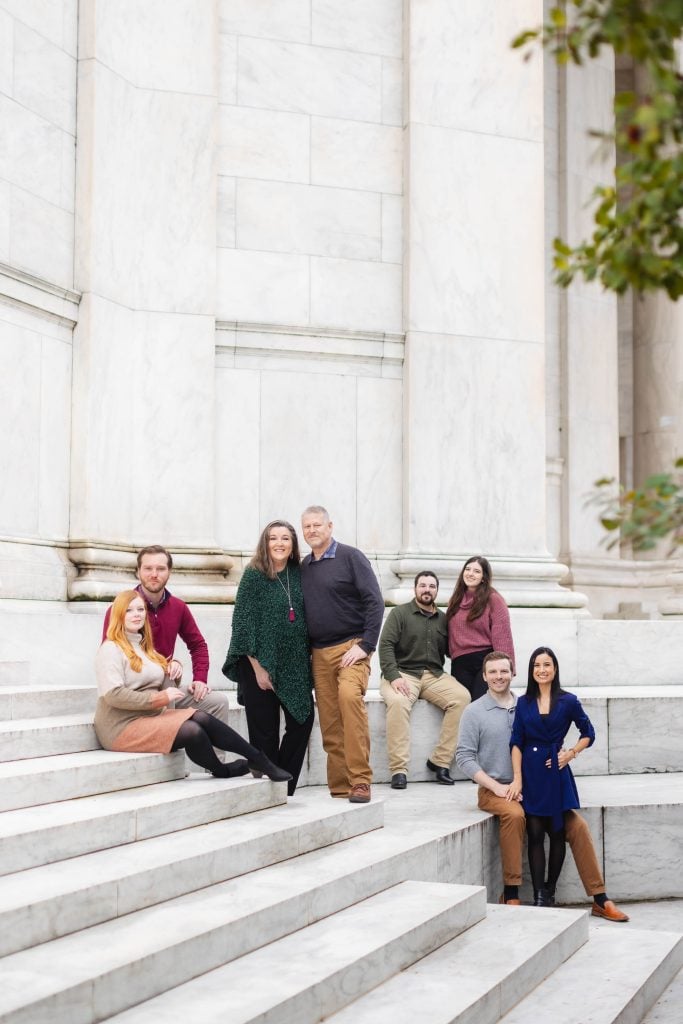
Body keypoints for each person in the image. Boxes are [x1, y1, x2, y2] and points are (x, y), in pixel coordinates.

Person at [455, 651, 629, 921]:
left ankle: (600, 898)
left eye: (504, 671)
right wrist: (498, 787)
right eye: (493, 672)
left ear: (513, 673)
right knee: (514, 815)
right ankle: (511, 892)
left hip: (536, 785)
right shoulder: (474, 711)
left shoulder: (526, 703)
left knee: (578, 826)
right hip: (498, 788)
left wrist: (568, 754)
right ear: (484, 675)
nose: (499, 676)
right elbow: (464, 758)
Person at [95, 590, 292, 783]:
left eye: (140, 609)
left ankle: (258, 759)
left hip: (147, 716)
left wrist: (173, 668)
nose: (136, 614)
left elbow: (158, 680)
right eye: (129, 610)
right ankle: (223, 769)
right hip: (120, 727)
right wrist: (158, 699)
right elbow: (114, 695)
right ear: (118, 615)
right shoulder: (111, 649)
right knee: (193, 730)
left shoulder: (145, 647)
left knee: (200, 717)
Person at [103, 545, 231, 756]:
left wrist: (200, 678)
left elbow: (198, 645)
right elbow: (110, 651)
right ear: (138, 571)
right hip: (136, 692)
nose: (154, 574)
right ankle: (171, 758)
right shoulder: (120, 608)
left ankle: (216, 766)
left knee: (218, 702)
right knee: (168, 686)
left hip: (166, 684)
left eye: (161, 569)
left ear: (169, 572)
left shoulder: (178, 607)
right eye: (148, 568)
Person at [222, 520, 315, 795]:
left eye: (285, 538)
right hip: (257, 663)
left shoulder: (299, 573)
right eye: (273, 538)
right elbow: (242, 623)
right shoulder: (254, 575)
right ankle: (269, 791)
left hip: (295, 663)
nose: (279, 543)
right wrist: (258, 668)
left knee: (302, 721)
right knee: (265, 732)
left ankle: (284, 786)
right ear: (265, 542)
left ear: (293, 544)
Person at [300, 505, 384, 804]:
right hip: (319, 653)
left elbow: (375, 602)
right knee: (331, 721)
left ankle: (360, 781)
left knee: (350, 699)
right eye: (307, 526)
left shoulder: (351, 557)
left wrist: (365, 646)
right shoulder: (304, 567)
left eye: (317, 525)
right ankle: (339, 785)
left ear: (330, 526)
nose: (312, 530)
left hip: (352, 647)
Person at [511, 646, 594, 907]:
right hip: (532, 773)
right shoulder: (523, 702)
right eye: (536, 665)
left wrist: (570, 753)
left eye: (546, 665)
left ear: (555, 669)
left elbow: (588, 732)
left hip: (556, 773)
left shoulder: (568, 701)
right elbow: (516, 742)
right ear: (531, 670)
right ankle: (538, 895)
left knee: (557, 832)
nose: (541, 670)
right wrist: (517, 778)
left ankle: (550, 890)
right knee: (535, 832)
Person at [379, 571, 471, 788]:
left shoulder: (443, 618)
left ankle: (440, 762)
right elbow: (385, 646)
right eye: (423, 585)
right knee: (399, 702)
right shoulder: (399, 614)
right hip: (402, 673)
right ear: (415, 589)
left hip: (433, 675)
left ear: (436, 590)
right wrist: (393, 676)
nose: (427, 590)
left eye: (431, 586)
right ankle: (399, 770)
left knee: (462, 698)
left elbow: (453, 649)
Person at [446, 555, 515, 701]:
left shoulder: (493, 599)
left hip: (484, 660)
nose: (470, 573)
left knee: (480, 703)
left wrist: (506, 667)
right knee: (463, 706)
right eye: (468, 569)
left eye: (476, 571)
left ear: (484, 577)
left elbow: (502, 635)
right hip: (460, 662)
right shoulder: (455, 599)